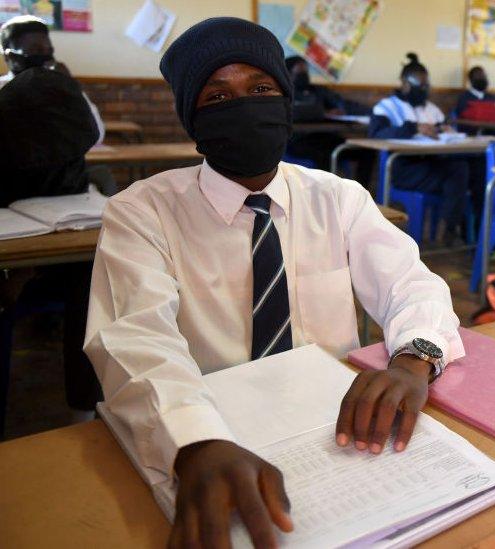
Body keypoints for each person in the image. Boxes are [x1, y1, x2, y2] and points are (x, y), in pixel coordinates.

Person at [84, 18, 464, 548]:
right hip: (211, 422)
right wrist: (194, 441)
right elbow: (135, 337)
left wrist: (414, 355)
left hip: (338, 425)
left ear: (285, 103)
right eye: (218, 96)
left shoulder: (337, 198)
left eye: (261, 89)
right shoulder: (142, 213)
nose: (244, 105)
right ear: (192, 120)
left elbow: (411, 283)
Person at [0, 66, 103, 422]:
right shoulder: (16, 110)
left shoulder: (60, 108)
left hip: (69, 252)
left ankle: (85, 410)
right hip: (15, 251)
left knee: (98, 282)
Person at [368, 53, 471, 243]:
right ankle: (450, 230)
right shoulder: (386, 107)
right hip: (403, 169)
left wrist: (445, 130)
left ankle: (462, 232)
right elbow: (376, 134)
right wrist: (413, 127)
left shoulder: (431, 108)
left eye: (426, 86)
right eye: (419, 86)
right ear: (405, 84)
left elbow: (445, 129)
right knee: (457, 173)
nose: (423, 90)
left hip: (431, 164)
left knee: (466, 168)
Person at [1, 15, 104, 146]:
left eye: (49, 50)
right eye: (35, 50)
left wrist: (71, 89)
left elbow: (97, 134)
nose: (45, 57)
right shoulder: (3, 90)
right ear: (10, 57)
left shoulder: (60, 86)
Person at [284, 55, 373, 184]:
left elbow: (344, 105)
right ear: (287, 74)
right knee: (324, 154)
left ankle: (363, 193)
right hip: (297, 141)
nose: (304, 75)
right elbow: (295, 112)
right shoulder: (282, 93)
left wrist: (376, 112)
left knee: (366, 151)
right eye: (299, 72)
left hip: (325, 137)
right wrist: (322, 112)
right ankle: (325, 197)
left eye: (305, 71)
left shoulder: (318, 91)